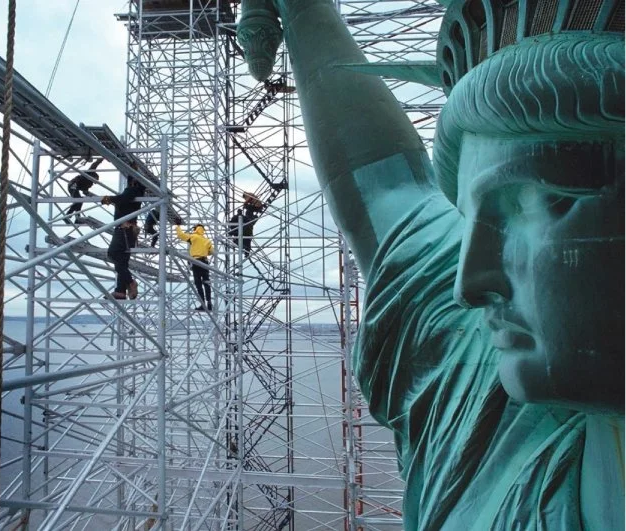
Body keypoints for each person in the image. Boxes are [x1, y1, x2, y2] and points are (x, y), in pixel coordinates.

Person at [238, 0, 624, 528]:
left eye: (541, 201)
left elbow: (393, 199)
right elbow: (389, 191)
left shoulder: (487, 416)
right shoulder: (489, 405)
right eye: (471, 218)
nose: (472, 283)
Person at [101, 176, 146, 299]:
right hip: (129, 230)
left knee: (113, 254)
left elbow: (123, 198)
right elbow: (124, 199)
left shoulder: (132, 190)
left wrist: (110, 199)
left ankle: (130, 283)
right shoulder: (137, 191)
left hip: (124, 229)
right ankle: (120, 291)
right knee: (121, 261)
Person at [176, 223, 214, 311]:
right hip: (205, 262)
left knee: (198, 284)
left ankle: (202, 305)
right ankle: (209, 303)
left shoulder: (194, 237)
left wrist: (178, 226)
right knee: (207, 282)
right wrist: (204, 251)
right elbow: (212, 252)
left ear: (196, 229)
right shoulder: (206, 240)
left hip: (196, 262)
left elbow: (181, 235)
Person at [64, 158, 103, 225]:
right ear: (93, 177)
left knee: (80, 202)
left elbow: (85, 191)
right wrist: (100, 160)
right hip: (73, 185)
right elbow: (94, 165)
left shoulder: (89, 183)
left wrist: (92, 196)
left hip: (75, 187)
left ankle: (77, 218)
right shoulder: (89, 173)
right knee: (78, 201)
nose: (94, 182)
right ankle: (68, 216)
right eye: (95, 180)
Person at [228, 191, 264, 257]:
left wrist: (245, 204)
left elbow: (249, 199)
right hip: (246, 233)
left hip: (242, 232)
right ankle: (246, 252)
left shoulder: (248, 195)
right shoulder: (243, 218)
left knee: (248, 210)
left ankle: (245, 251)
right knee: (247, 242)